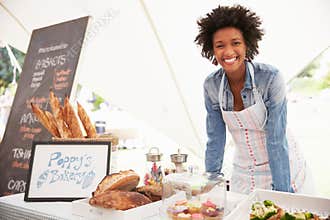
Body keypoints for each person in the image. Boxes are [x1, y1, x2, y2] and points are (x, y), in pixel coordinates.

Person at [195, 4, 314, 194]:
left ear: (247, 44)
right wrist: (210, 183)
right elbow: (215, 139)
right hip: (244, 171)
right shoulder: (211, 85)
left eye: (235, 43)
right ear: (212, 49)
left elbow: (276, 139)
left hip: (283, 168)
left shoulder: (270, 78)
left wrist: (281, 193)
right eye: (220, 45)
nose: (228, 52)